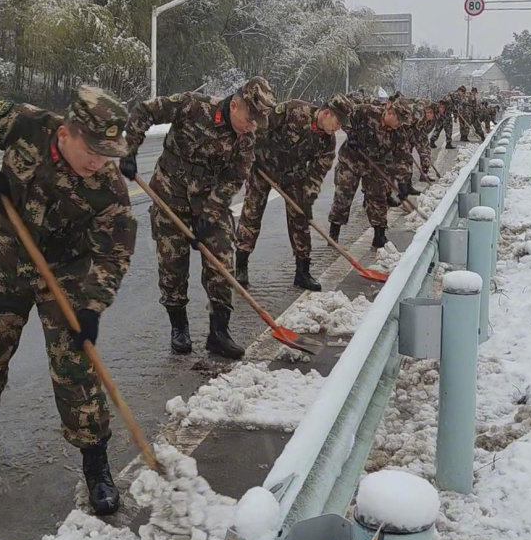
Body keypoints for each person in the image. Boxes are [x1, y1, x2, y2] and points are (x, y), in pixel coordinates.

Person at [0, 84, 137, 516]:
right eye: (94, 150)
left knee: (76, 365)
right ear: (67, 133)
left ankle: (95, 463)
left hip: (66, 273)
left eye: (109, 153)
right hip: (5, 257)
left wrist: (93, 306)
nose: (101, 162)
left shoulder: (108, 186)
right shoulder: (24, 123)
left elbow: (115, 251)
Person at [121, 77, 275, 359]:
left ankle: (219, 333)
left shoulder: (246, 139)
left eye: (257, 122)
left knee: (222, 263)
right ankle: (179, 327)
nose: (251, 126)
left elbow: (234, 178)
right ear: (235, 104)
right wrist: (130, 148)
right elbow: (145, 110)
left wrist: (210, 214)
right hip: (169, 194)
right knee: (172, 265)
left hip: (208, 199)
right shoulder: (193, 106)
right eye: (249, 118)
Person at [235, 94, 353, 291]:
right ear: (326, 113)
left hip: (293, 175)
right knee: (252, 214)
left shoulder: (327, 142)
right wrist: (250, 155)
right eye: (338, 121)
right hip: (263, 167)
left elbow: (317, 173)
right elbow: (259, 126)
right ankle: (241, 265)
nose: (338, 128)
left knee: (300, 218)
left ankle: (302, 272)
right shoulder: (293, 111)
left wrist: (308, 197)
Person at [328, 97, 413, 248]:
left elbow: (403, 158)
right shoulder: (367, 111)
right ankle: (334, 233)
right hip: (351, 160)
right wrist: (351, 133)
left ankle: (379, 235)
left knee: (378, 197)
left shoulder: (398, 132)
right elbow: (346, 115)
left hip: (375, 165)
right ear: (391, 113)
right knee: (343, 195)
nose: (399, 125)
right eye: (399, 121)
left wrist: (404, 183)